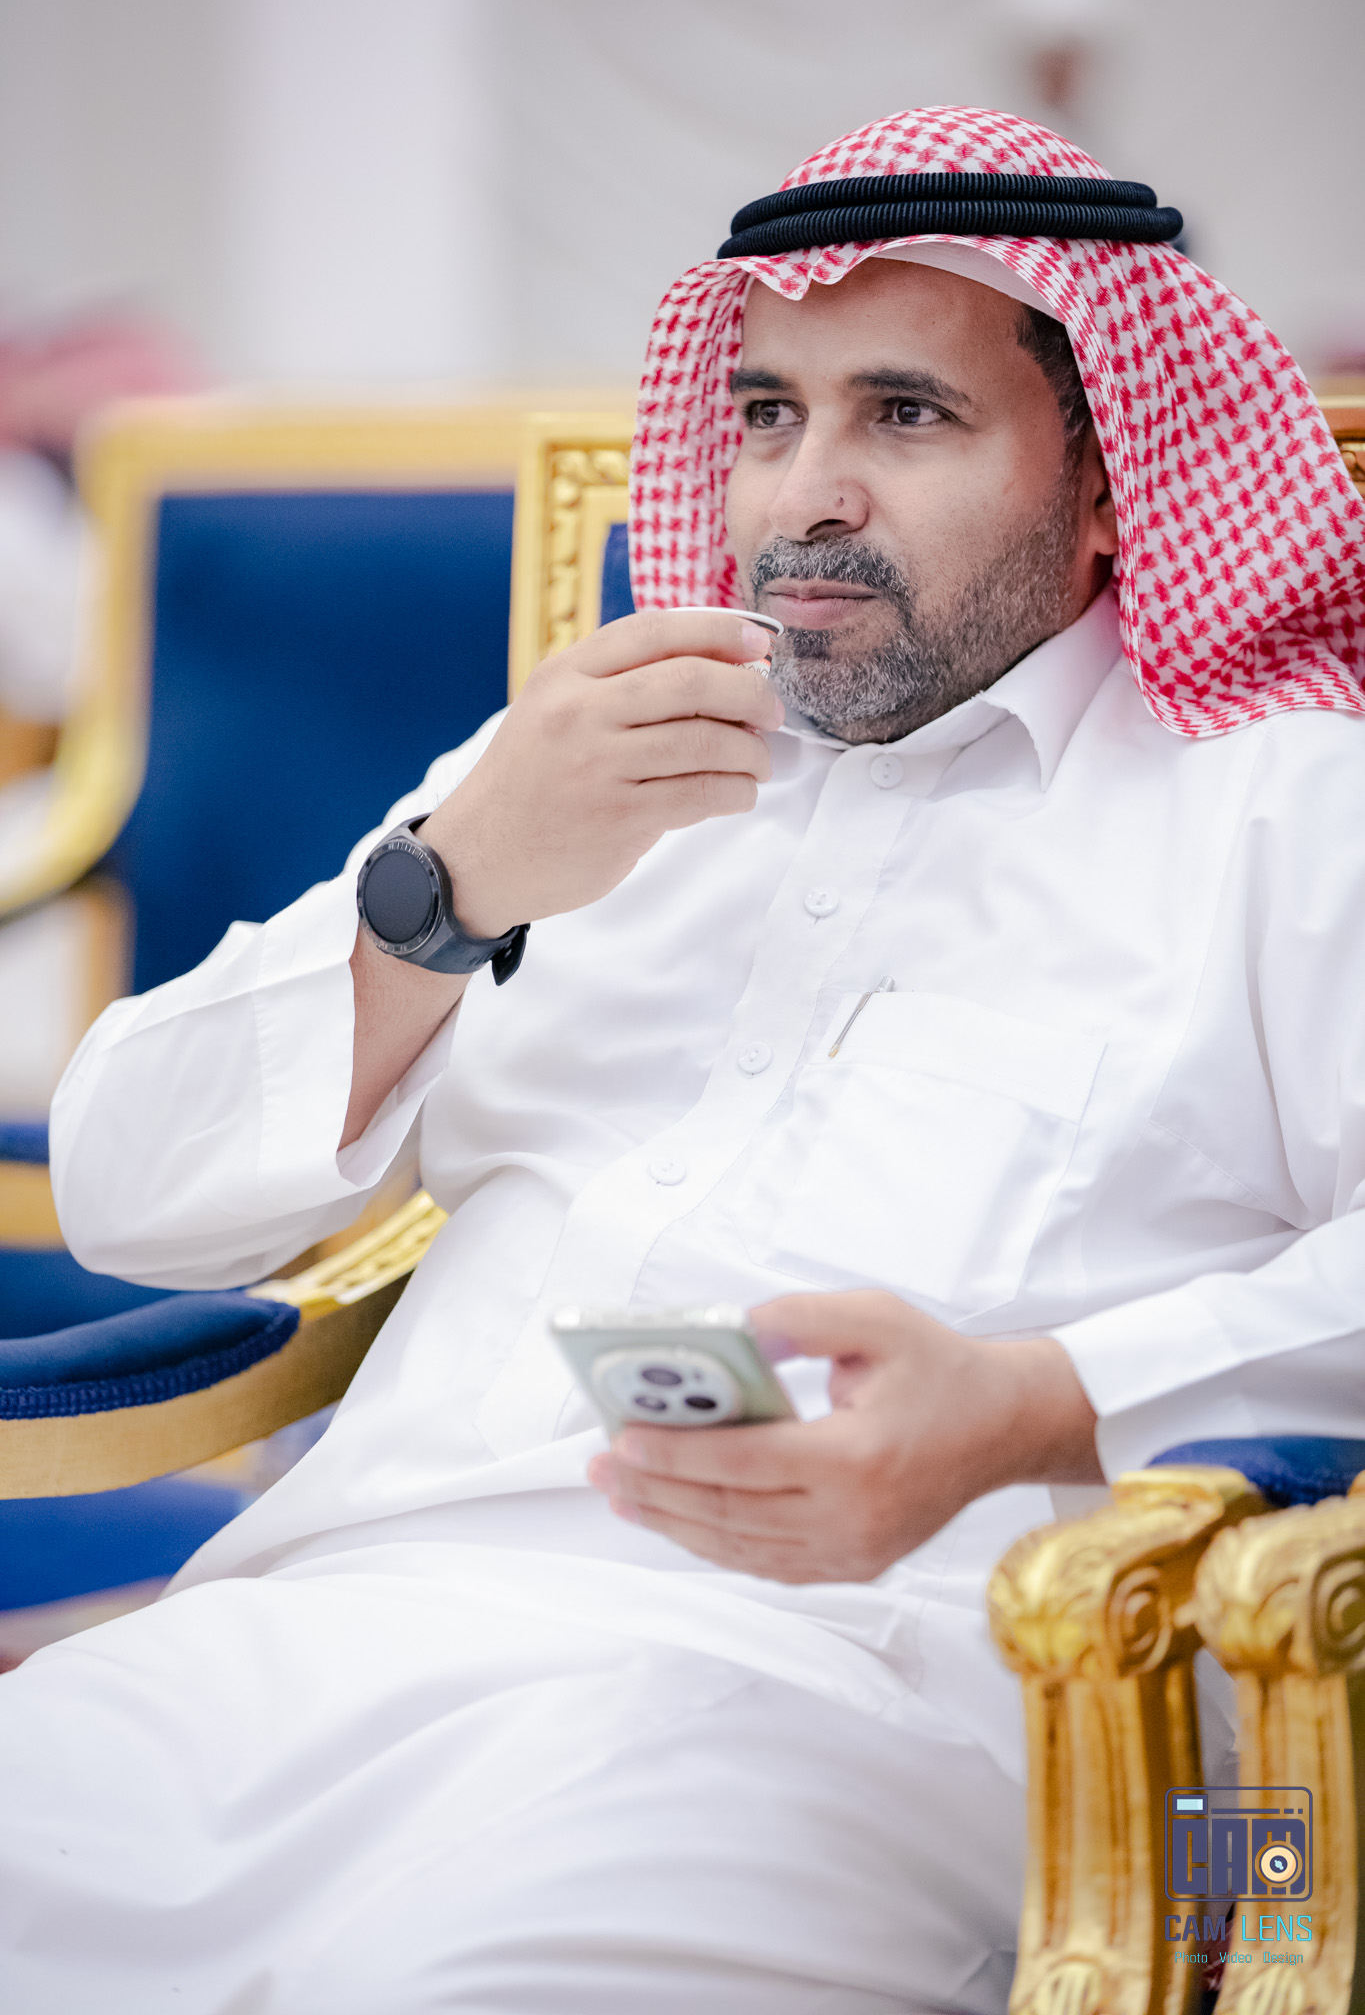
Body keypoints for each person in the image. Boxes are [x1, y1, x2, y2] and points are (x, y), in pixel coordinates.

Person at [3, 104, 1365, 2015]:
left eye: (907, 416)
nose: (807, 494)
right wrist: (450, 884)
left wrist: (1035, 1404)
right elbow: (129, 1193)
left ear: (1113, 474)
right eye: (765, 414)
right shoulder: (584, 766)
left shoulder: (1284, 813)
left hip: (881, 1695)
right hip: (331, 1627)